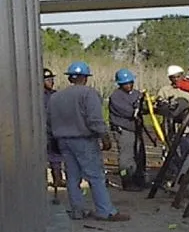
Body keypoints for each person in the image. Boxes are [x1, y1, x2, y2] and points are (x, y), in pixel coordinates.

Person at [47, 61, 130, 222]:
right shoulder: (88, 94)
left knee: (72, 177)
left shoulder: (56, 97)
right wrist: (104, 136)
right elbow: (94, 119)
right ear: (85, 78)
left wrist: (52, 140)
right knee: (96, 176)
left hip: (63, 141)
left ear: (70, 78)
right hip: (84, 140)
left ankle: (77, 211)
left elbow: (49, 122)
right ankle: (105, 211)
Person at [108, 68, 146, 192]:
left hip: (136, 130)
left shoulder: (136, 94)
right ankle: (127, 181)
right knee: (126, 158)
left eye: (130, 82)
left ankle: (139, 180)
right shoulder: (116, 97)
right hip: (124, 130)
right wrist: (138, 106)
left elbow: (143, 108)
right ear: (120, 84)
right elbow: (130, 112)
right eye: (126, 83)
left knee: (139, 155)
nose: (129, 85)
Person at [43, 67, 66, 188]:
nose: (51, 82)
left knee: (56, 154)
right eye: (48, 79)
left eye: (52, 79)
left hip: (54, 129)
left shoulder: (56, 95)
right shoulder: (35, 96)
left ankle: (58, 178)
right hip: (42, 129)